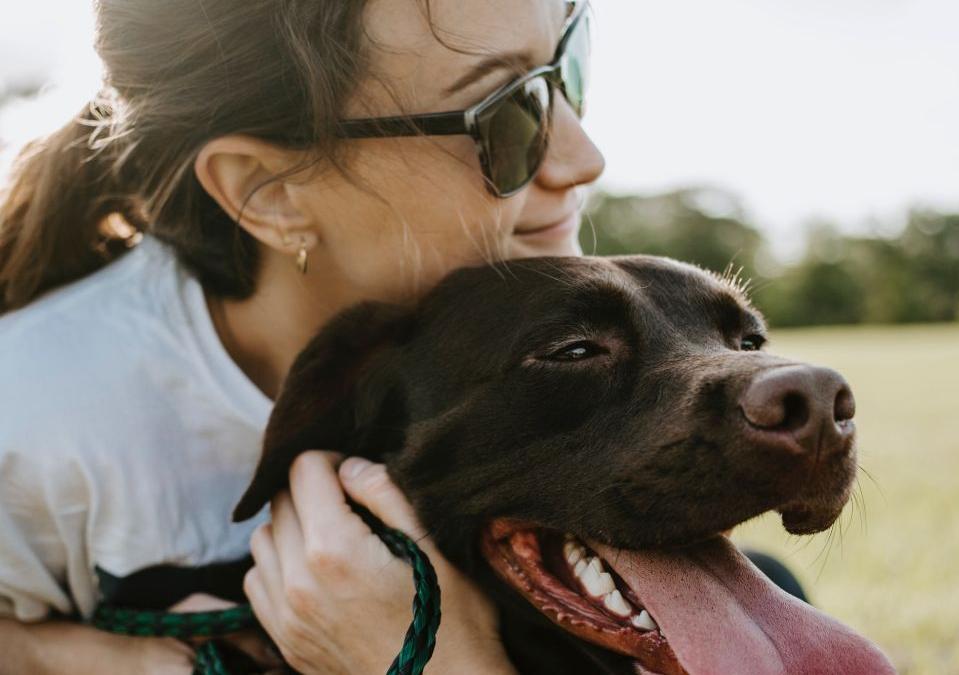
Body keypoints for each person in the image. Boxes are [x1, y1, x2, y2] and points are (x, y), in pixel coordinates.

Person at [0, 0, 601, 671]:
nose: (583, 157)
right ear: (269, 194)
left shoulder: (574, 366)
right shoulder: (30, 415)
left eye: (566, 64)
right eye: (508, 115)